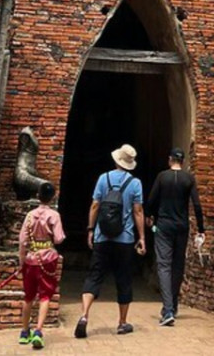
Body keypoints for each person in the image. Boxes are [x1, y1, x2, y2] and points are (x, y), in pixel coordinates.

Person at [74, 144, 147, 338]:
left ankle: (84, 315)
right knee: (123, 278)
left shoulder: (103, 178)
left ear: (116, 160)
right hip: (124, 239)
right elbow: (138, 211)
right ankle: (122, 323)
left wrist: (90, 230)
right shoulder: (135, 183)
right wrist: (141, 238)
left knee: (94, 276)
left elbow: (95, 205)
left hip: (102, 236)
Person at [147, 147, 205, 326]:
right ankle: (173, 306)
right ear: (183, 161)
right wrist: (201, 229)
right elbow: (196, 205)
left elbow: (151, 200)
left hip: (163, 225)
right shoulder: (189, 178)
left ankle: (168, 310)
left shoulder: (162, 177)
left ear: (170, 159)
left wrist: (150, 216)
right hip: (182, 226)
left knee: (164, 265)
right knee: (178, 266)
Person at [17, 182, 66, 349]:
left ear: (38, 195)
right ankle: (38, 331)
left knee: (28, 296)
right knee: (45, 295)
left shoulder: (30, 215)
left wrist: (21, 261)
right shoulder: (54, 215)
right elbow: (59, 238)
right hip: (48, 258)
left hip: (31, 258)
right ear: (53, 197)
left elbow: (23, 241)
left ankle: (24, 332)